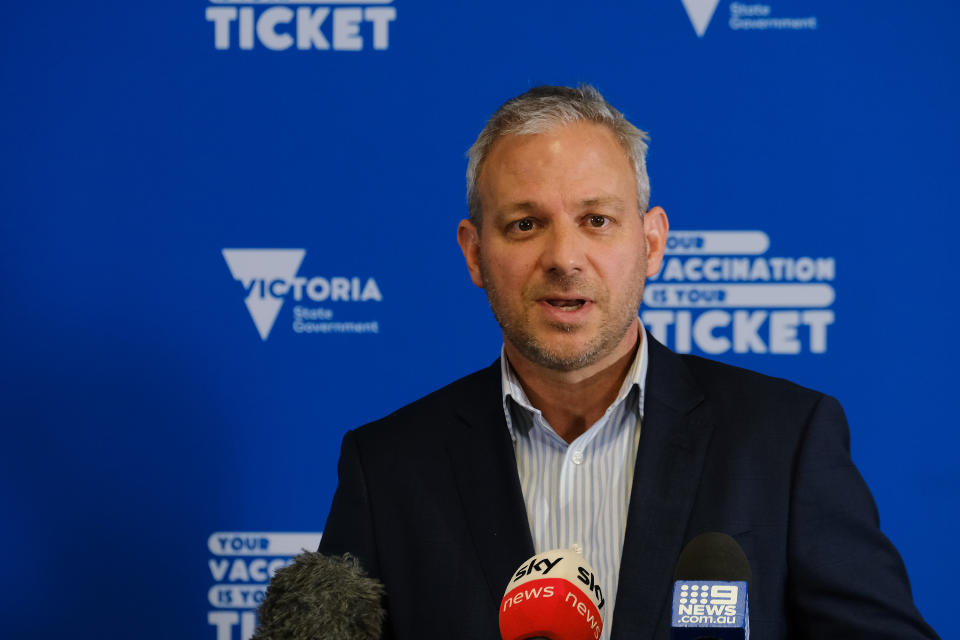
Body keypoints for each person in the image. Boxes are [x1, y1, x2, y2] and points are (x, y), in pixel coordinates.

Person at [318, 85, 938, 639]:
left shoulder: (785, 439)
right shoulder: (388, 468)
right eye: (526, 224)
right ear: (475, 254)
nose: (564, 257)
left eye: (596, 220)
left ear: (650, 243)